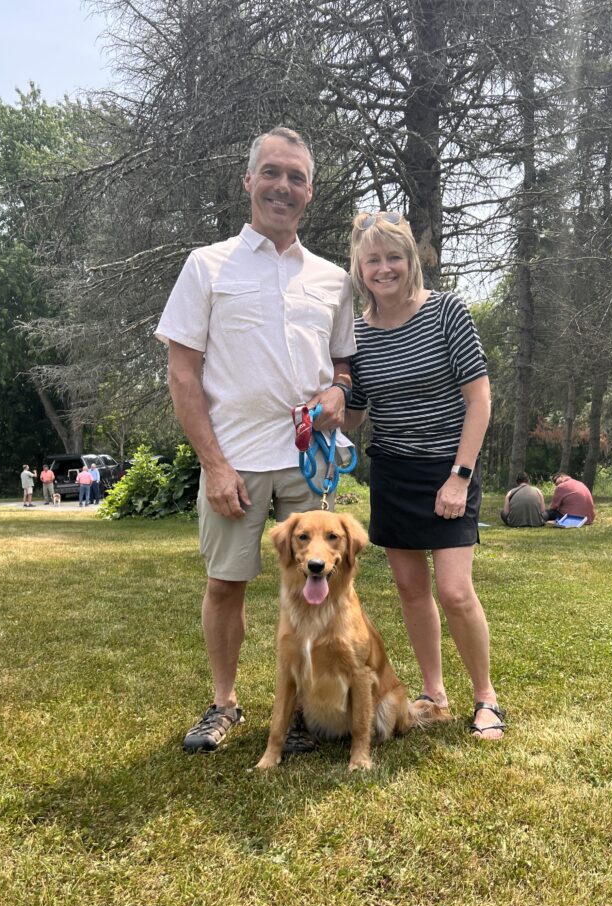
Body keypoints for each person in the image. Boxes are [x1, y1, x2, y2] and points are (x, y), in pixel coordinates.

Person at [155, 126, 356, 754]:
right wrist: (213, 465)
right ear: (249, 181)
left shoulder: (332, 278)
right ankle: (224, 705)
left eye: (296, 177)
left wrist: (340, 392)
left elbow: (345, 365)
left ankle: (301, 709)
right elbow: (183, 373)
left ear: (310, 192)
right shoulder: (206, 265)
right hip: (235, 462)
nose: (283, 186)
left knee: (318, 587)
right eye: (272, 172)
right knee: (225, 584)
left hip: (309, 465)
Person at [344, 211, 506, 741]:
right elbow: (357, 410)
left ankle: (485, 698)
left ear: (411, 260)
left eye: (395, 257)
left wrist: (460, 476)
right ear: (360, 267)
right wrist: (327, 412)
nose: (385, 268)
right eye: (374, 260)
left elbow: (478, 399)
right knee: (412, 589)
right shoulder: (357, 335)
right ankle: (434, 693)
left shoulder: (445, 313)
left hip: (448, 467)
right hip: (393, 471)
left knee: (456, 591)